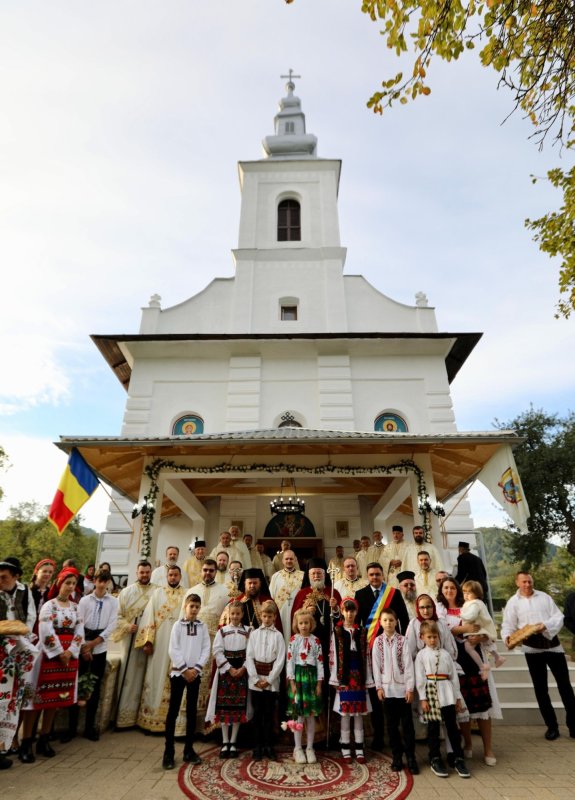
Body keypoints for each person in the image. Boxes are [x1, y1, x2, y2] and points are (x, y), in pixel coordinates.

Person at [20, 567, 84, 762]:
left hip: (68, 657)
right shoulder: (49, 605)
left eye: (73, 584)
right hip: (48, 656)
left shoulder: (75, 607)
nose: (70, 587)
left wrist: (71, 651)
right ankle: (26, 741)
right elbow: (45, 629)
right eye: (67, 583)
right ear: (59, 584)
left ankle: (44, 739)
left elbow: (80, 630)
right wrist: (58, 652)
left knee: (55, 700)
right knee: (38, 699)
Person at [501, 571, 575, 741]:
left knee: (565, 686)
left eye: (530, 581)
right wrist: (507, 637)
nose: (527, 585)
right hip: (532, 649)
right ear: (517, 583)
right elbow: (508, 624)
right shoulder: (513, 603)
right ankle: (552, 727)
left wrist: (545, 625)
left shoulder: (545, 597)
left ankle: (574, 726)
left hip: (552, 645)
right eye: (524, 582)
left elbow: (559, 617)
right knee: (541, 689)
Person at [436, 576, 500, 765]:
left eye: (452, 587)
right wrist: (465, 629)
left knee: (482, 705)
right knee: (461, 705)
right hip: (455, 660)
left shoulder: (471, 605)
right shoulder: (441, 610)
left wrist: (479, 637)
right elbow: (443, 630)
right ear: (441, 591)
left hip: (474, 656)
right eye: (445, 588)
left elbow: (484, 626)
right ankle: (468, 744)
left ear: (458, 589)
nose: (449, 591)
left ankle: (488, 748)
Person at [354, 561, 410, 750]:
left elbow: (404, 619)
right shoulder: (360, 594)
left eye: (378, 574)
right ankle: (378, 736)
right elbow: (359, 622)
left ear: (383, 576)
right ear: (367, 576)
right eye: (371, 575)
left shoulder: (393, 593)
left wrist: (404, 643)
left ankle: (399, 736)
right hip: (371, 650)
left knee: (395, 693)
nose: (375, 578)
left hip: (393, 648)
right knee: (375, 693)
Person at [415, 620, 470, 779]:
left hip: (447, 693)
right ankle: (435, 758)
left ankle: (458, 758)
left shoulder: (446, 654)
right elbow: (420, 678)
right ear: (422, 637)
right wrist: (423, 698)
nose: (433, 640)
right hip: (431, 692)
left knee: (452, 727)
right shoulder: (421, 655)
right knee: (433, 728)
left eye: (435, 636)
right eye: (429, 637)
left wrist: (458, 698)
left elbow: (453, 678)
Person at [135, 565, 186, 733]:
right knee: (155, 676)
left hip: (178, 643)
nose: (173, 577)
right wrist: (148, 641)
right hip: (159, 643)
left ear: (180, 576)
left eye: (175, 575)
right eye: (170, 575)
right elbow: (149, 616)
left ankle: (173, 722)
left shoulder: (186, 594)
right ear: (167, 576)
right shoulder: (157, 594)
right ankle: (151, 718)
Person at [162, 593, 210, 770]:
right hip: (179, 674)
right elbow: (173, 649)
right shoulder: (178, 625)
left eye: (197, 607)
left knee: (191, 711)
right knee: (173, 711)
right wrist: (184, 670)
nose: (195, 610)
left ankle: (189, 750)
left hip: (195, 674)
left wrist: (196, 669)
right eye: (192, 606)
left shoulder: (202, 626)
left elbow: (206, 648)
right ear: (185, 607)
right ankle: (168, 751)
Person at [69, 569, 118, 741]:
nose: (103, 584)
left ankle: (89, 727)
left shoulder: (113, 602)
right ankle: (71, 727)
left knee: (95, 688)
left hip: (100, 645)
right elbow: (79, 623)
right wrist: (84, 646)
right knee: (78, 684)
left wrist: (94, 643)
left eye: (106, 581)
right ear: (95, 581)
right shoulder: (84, 601)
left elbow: (112, 625)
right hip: (83, 645)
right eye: (100, 580)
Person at [110, 560, 157, 729]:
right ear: (137, 573)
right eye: (142, 572)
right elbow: (116, 615)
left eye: (147, 572)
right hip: (130, 638)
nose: (145, 575)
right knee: (128, 677)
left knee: (146, 677)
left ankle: (142, 717)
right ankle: (124, 716)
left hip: (148, 640)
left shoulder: (157, 591)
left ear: (151, 572)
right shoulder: (126, 592)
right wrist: (127, 626)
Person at [372, 607, 418, 774]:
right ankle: (397, 757)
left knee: (407, 725)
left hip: (402, 690)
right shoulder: (377, 642)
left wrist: (409, 688)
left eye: (391, 620)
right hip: (387, 690)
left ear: (396, 622)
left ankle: (411, 757)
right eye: (385, 620)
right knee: (391, 726)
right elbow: (376, 667)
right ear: (380, 623)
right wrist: (379, 687)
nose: (388, 623)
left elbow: (408, 665)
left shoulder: (403, 641)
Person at [184, 559, 230, 728]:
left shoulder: (225, 591)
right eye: (205, 570)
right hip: (193, 640)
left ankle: (207, 726)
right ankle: (189, 726)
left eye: (211, 570)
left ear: (216, 571)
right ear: (201, 571)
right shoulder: (192, 590)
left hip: (214, 640)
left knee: (209, 678)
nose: (208, 573)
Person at [206, 600, 251, 758]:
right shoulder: (222, 631)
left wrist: (243, 668)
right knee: (225, 709)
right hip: (226, 672)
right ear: (228, 614)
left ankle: (233, 741)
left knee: (238, 708)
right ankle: (225, 741)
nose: (235, 616)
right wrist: (228, 668)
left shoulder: (248, 631)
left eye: (238, 614)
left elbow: (251, 652)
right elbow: (217, 651)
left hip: (241, 670)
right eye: (233, 613)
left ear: (243, 615)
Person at [329, 597, 372, 763]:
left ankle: (360, 748)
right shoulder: (337, 631)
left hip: (358, 675)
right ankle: (345, 747)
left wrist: (368, 679)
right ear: (342, 611)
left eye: (352, 610)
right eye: (346, 610)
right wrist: (335, 679)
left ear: (356, 612)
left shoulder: (362, 631)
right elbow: (333, 655)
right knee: (346, 713)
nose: (349, 614)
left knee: (359, 714)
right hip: (344, 676)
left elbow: (366, 654)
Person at [245, 599, 285, 760]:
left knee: (269, 714)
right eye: (264, 616)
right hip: (256, 682)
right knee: (257, 714)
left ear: (274, 617)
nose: (267, 619)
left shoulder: (278, 636)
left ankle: (269, 745)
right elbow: (249, 657)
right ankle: (257, 746)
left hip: (271, 681)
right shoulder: (254, 634)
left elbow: (280, 659)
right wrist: (255, 679)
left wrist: (269, 679)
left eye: (270, 616)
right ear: (260, 616)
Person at [286, 608, 324, 764]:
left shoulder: (316, 641)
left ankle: (309, 747)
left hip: (312, 679)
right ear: (297, 624)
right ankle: (297, 748)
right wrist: (292, 682)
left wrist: (319, 683)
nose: (304, 626)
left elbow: (320, 662)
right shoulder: (293, 641)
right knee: (299, 715)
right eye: (301, 623)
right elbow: (290, 661)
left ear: (311, 624)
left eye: (306, 623)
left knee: (310, 716)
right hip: (299, 680)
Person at [461, 580, 504, 678]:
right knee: (487, 643)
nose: (466, 595)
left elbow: (471, 616)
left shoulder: (474, 603)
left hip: (477, 628)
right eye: (464, 592)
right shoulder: (475, 602)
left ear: (477, 594)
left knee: (468, 647)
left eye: (469, 592)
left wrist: (461, 615)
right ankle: (497, 657)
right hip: (480, 629)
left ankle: (482, 666)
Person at [405, 594, 457, 662]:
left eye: (428, 607)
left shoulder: (441, 623)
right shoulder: (414, 624)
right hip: (422, 662)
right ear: (418, 608)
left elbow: (449, 646)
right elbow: (410, 648)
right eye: (422, 607)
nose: (426, 611)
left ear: (433, 607)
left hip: (442, 660)